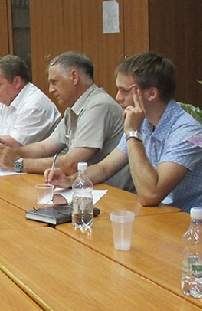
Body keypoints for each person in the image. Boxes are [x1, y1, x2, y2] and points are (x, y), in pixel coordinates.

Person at [46, 53, 202, 212]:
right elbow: (105, 168)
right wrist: (71, 180)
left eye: (124, 91)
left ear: (152, 93)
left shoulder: (187, 131)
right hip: (157, 214)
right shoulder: (143, 121)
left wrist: (133, 133)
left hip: (188, 219)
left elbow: (150, 194)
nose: (118, 97)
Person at [0, 51, 131, 189]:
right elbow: (45, 147)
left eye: (54, 82)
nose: (51, 89)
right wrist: (10, 151)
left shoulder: (98, 106)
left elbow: (71, 164)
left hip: (112, 192)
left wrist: (18, 163)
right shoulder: (74, 108)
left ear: (74, 77)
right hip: (87, 185)